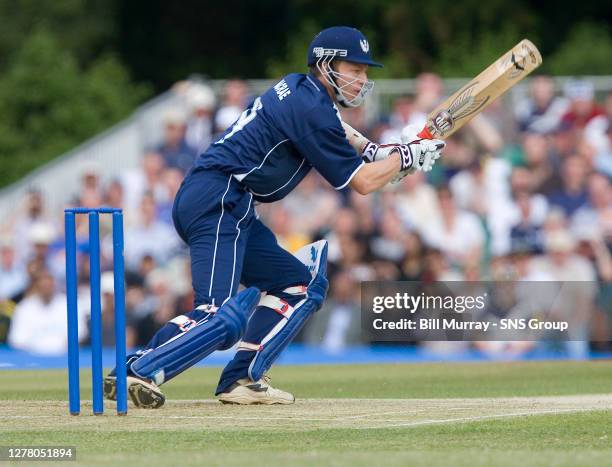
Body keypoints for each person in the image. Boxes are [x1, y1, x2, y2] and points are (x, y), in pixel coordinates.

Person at [103, 26, 445, 408]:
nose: (363, 80)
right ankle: (138, 369)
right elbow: (363, 183)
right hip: (218, 198)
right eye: (356, 69)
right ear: (327, 64)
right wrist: (407, 157)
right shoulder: (310, 107)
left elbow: (343, 134)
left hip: (231, 201)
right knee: (220, 315)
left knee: (300, 285)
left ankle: (242, 379)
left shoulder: (302, 91)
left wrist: (383, 151)